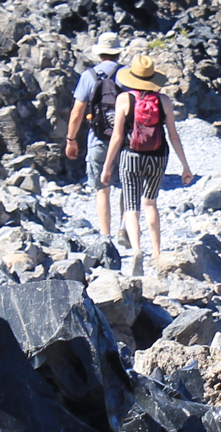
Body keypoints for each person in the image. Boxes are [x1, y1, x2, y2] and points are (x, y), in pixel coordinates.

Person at [101, 54, 193, 276]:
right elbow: (173, 135)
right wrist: (185, 166)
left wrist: (107, 165)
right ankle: (157, 251)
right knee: (150, 203)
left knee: (132, 207)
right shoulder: (164, 101)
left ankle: (136, 250)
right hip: (158, 156)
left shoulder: (124, 99)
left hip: (131, 156)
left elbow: (117, 136)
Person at [65, 31, 128, 243]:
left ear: (100, 53)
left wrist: (71, 140)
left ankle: (105, 236)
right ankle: (123, 228)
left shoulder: (88, 76)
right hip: (127, 140)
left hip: (98, 140)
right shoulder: (128, 75)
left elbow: (76, 113)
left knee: (102, 189)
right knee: (126, 186)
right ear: (118, 52)